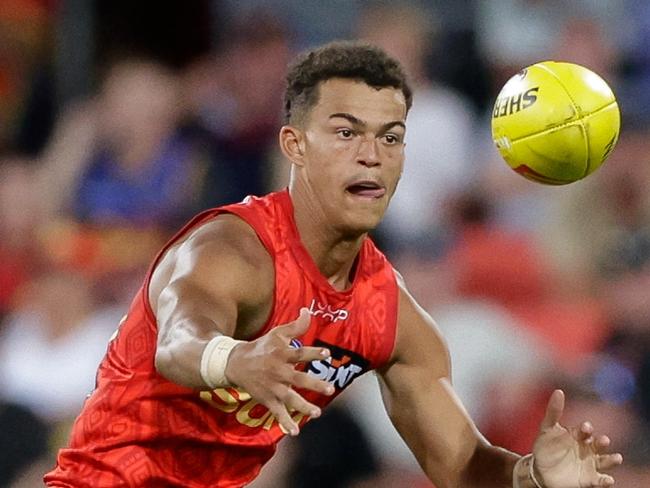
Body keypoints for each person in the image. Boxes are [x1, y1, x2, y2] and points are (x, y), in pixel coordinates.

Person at [45, 41, 622, 488]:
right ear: (294, 145)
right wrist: (237, 358)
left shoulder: (389, 313)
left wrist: (532, 476)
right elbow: (178, 342)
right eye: (345, 132)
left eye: (391, 138)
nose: (371, 154)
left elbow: (462, 467)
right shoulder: (231, 247)